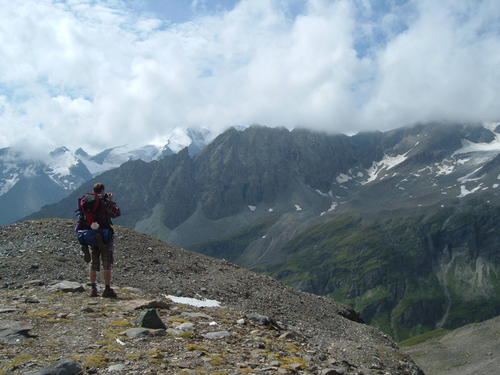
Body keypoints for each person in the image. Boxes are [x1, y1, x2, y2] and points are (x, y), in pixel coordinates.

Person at [84, 183, 121, 298]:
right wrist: (110, 201)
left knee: (93, 261)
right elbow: (116, 213)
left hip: (91, 234)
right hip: (105, 235)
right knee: (106, 262)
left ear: (93, 191)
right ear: (103, 191)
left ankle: (93, 288)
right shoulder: (105, 201)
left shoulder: (87, 201)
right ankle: (107, 289)